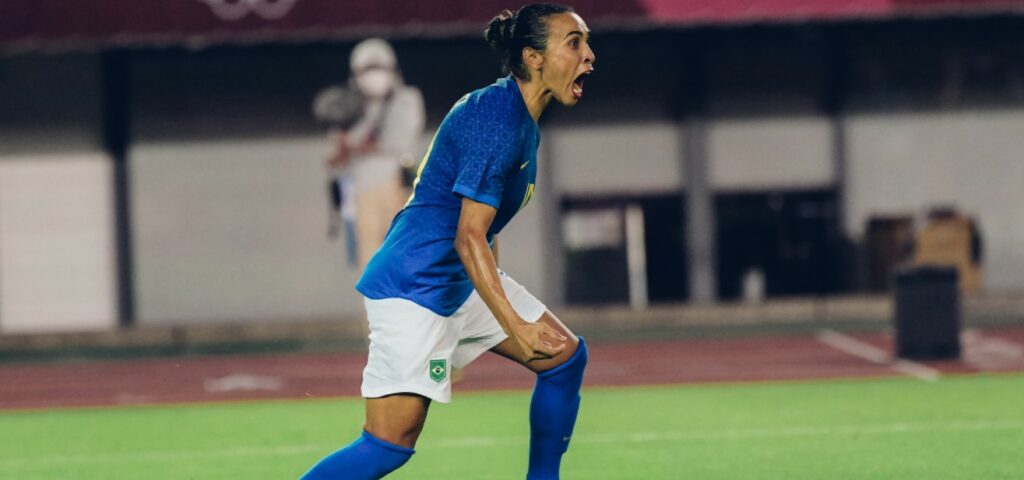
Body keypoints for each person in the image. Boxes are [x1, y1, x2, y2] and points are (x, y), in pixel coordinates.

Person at [300, 4, 595, 479]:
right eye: (574, 42)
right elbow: (469, 235)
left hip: (457, 283)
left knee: (563, 357)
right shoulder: (497, 119)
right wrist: (515, 327)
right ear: (533, 57)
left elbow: (484, 229)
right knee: (387, 446)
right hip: (413, 290)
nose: (589, 55)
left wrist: (497, 302)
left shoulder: (520, 120)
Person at [322, 38, 425, 268]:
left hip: (398, 186)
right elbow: (335, 157)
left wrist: (354, 145)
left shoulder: (407, 99)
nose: (374, 75)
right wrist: (343, 144)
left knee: (404, 260)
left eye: (379, 68)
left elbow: (398, 143)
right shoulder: (346, 105)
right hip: (359, 189)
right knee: (369, 264)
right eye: (367, 69)